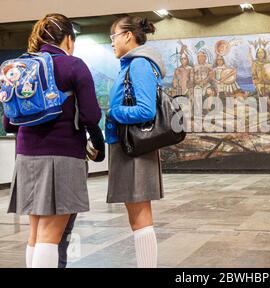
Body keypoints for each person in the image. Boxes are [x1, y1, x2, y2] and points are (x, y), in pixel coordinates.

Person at [3, 13, 102, 268]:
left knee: (35, 235)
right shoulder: (74, 65)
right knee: (51, 235)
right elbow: (91, 115)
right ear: (68, 39)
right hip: (63, 156)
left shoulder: (21, 67)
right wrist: (97, 144)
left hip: (25, 157)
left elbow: (8, 122)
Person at [105, 15, 166, 268]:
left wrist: (112, 112)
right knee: (137, 219)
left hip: (135, 149)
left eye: (113, 37)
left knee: (141, 219)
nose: (111, 43)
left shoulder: (139, 64)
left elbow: (145, 111)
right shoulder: (134, 64)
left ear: (128, 36)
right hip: (131, 148)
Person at [58, 124, 105, 268]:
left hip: (28, 158)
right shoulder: (71, 99)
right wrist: (99, 148)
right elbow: (90, 115)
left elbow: (8, 125)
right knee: (62, 230)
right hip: (69, 158)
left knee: (36, 233)